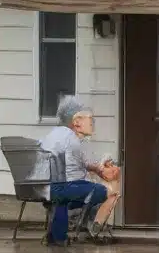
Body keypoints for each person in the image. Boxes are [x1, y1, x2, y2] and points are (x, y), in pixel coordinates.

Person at [40, 96, 120, 245]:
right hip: (64, 188)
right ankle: (92, 228)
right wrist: (102, 166)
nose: (92, 122)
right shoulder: (73, 139)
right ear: (76, 122)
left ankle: (58, 237)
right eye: (89, 118)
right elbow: (90, 164)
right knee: (108, 192)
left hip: (48, 186)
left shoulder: (51, 134)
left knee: (68, 195)